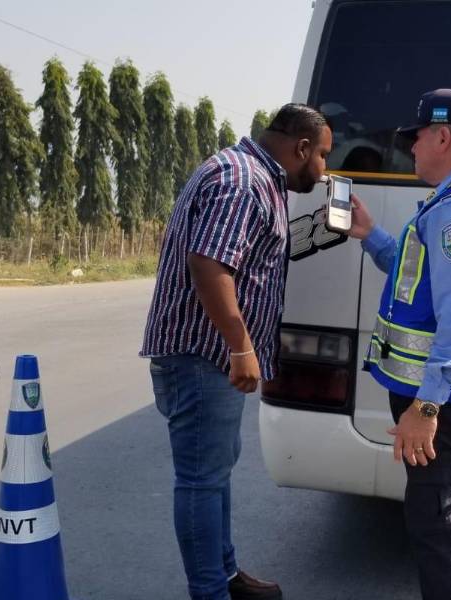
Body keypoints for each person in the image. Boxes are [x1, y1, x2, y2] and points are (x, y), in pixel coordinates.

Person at [140, 103, 332, 600]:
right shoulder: (242, 180)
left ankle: (224, 577)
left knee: (216, 470)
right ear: (302, 148)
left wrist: (330, 230)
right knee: (202, 479)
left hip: (211, 356)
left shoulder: (255, 177)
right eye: (324, 158)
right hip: (203, 355)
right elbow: (210, 264)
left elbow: (257, 253)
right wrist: (241, 347)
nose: (325, 170)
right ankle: (210, 593)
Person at [348, 89, 451, 600]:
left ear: (442, 136)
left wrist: (426, 404)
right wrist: (372, 235)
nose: (409, 148)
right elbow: (419, 274)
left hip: (444, 402)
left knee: (441, 529)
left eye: (415, 138)